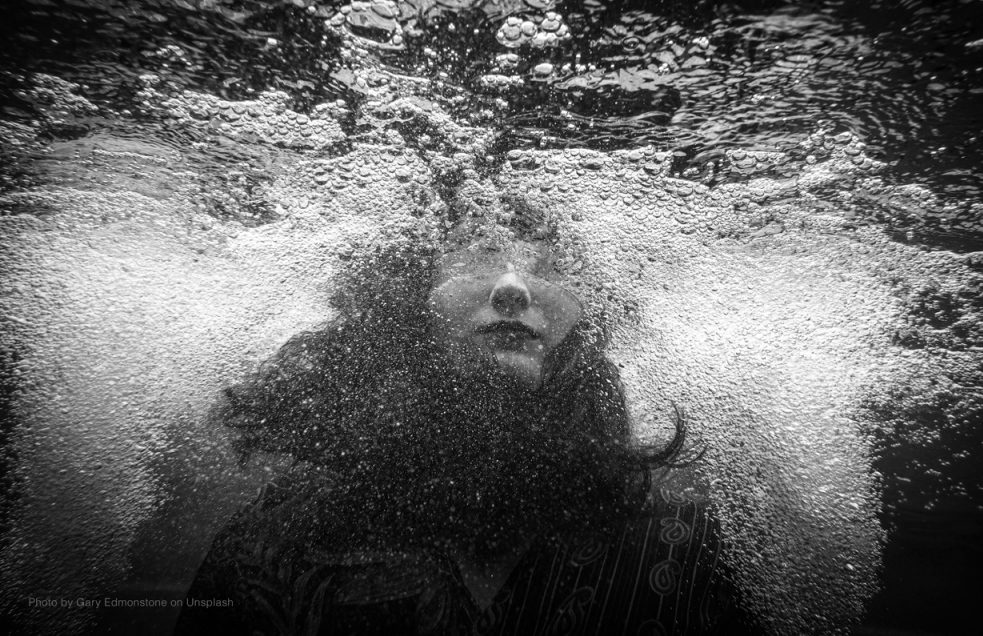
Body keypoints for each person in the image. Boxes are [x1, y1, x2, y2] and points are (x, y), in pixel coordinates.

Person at [174, 217, 746, 635]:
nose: (513, 288)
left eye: (547, 266)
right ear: (407, 304)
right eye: (477, 254)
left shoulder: (683, 550)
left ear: (582, 327)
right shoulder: (275, 544)